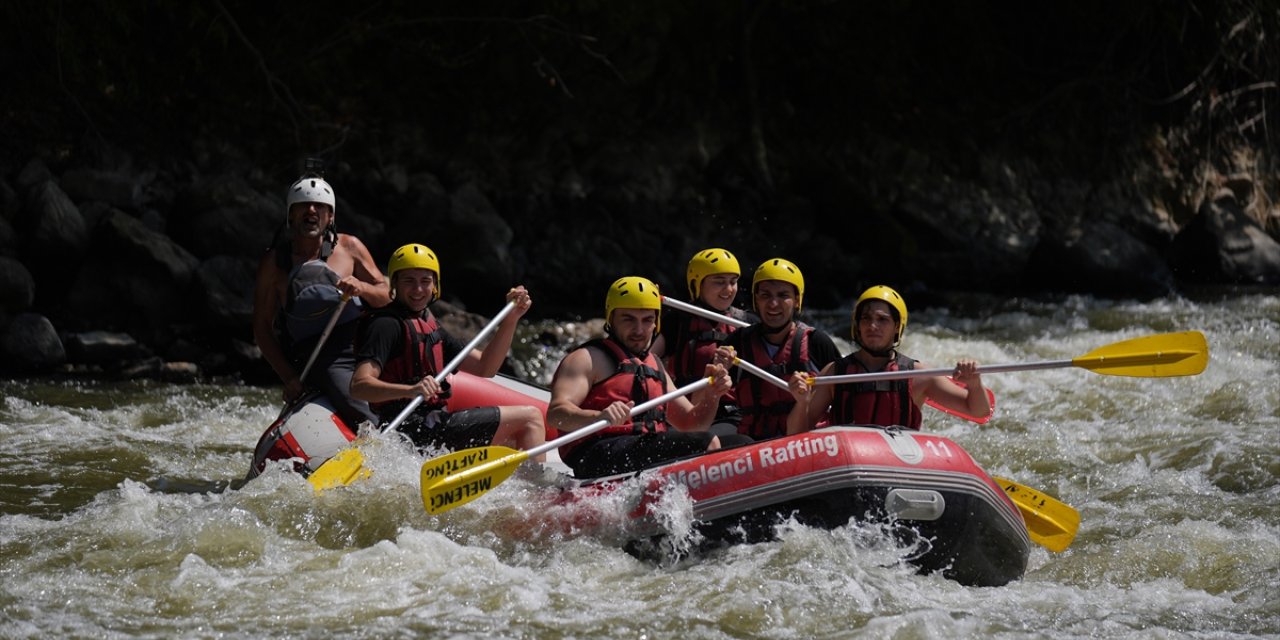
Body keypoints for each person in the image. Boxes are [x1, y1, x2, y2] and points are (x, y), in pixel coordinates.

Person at [349, 243, 546, 458]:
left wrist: (511, 319)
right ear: (394, 283)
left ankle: (525, 486)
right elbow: (359, 386)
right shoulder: (386, 325)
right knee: (530, 418)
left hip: (433, 425)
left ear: (435, 285)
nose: (418, 289)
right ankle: (540, 491)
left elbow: (485, 367)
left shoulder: (429, 325)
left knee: (514, 437)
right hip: (411, 430)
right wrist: (410, 390)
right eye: (409, 281)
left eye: (425, 281)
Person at [547, 276, 751, 479]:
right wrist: (598, 417)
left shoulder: (654, 365)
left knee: (743, 446)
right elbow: (556, 415)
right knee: (704, 443)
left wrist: (711, 395)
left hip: (643, 447)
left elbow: (692, 424)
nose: (639, 330)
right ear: (611, 318)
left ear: (656, 323)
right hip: (596, 453)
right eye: (628, 319)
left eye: (647, 320)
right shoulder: (586, 358)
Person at [252, 171, 390, 428]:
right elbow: (262, 327)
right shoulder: (274, 263)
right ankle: (385, 441)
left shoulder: (350, 247)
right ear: (291, 215)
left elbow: (385, 296)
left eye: (320, 207)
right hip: (321, 355)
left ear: (331, 216)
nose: (311, 211)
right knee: (357, 405)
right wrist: (289, 377)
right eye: (303, 205)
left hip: (364, 341)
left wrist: (362, 287)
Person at [785, 285, 991, 434]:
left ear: (896, 328)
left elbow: (978, 410)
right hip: (848, 465)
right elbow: (795, 434)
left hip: (898, 464)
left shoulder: (918, 375)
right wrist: (801, 402)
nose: (872, 326)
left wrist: (974, 384)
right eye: (866, 319)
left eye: (882, 320)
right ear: (857, 326)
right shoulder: (834, 373)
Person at [713, 258, 841, 441]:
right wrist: (716, 374)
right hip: (755, 443)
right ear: (756, 299)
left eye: (783, 296)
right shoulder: (737, 343)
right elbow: (708, 404)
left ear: (797, 300)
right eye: (765, 295)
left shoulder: (817, 343)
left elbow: (844, 400)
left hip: (807, 442)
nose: (773, 304)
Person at [651, 248, 757, 438]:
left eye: (733, 282)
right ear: (697, 284)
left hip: (730, 415)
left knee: (721, 440)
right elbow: (648, 361)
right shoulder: (677, 321)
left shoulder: (748, 323)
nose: (729, 289)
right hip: (686, 414)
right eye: (719, 282)